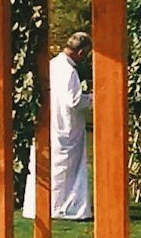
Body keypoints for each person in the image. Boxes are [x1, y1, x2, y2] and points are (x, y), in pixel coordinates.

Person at [25, 32, 92, 221]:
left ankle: (45, 204)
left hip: (52, 123)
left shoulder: (53, 65)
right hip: (66, 126)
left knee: (54, 167)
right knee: (66, 169)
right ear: (81, 52)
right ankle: (64, 207)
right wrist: (91, 99)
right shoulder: (69, 71)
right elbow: (73, 100)